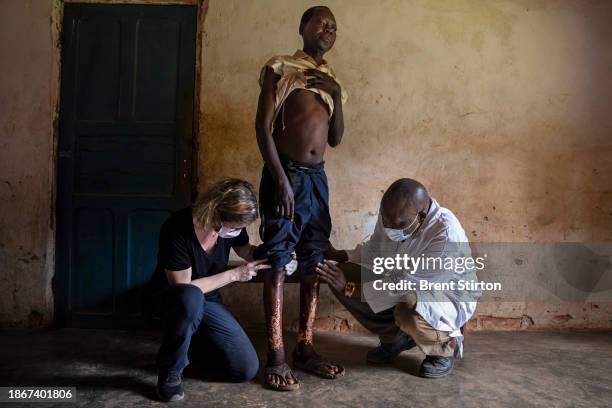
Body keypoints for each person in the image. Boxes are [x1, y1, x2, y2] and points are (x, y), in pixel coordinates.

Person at [253, 6, 348, 391]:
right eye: (320, 22)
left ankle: (305, 347)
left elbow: (336, 138)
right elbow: (262, 127)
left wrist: (338, 96)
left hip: (317, 180)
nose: (327, 29)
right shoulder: (280, 66)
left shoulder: (330, 80)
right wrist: (279, 178)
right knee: (278, 259)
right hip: (286, 175)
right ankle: (275, 355)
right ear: (302, 28)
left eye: (333, 26)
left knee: (315, 260)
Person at [318, 178, 480, 378]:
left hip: (445, 295)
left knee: (408, 306)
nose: (389, 227)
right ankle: (394, 339)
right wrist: (338, 255)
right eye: (385, 220)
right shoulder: (392, 215)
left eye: (398, 224)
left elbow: (405, 284)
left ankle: (443, 349)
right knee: (338, 273)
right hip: (400, 282)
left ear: (421, 216)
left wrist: (350, 288)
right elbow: (375, 251)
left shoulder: (445, 234)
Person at [143, 179, 270, 401]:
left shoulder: (230, 228)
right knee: (190, 298)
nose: (236, 232)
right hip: (172, 300)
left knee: (245, 369)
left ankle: (192, 349)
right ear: (215, 210)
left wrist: (273, 255)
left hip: (207, 300)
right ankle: (170, 371)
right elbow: (183, 287)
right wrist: (234, 275)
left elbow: (246, 251)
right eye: (235, 227)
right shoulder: (177, 228)